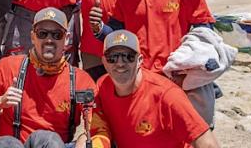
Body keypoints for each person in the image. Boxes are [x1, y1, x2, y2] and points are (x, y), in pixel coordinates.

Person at [91, 0, 217, 126]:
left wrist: (195, 69)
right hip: (140, 80)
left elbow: (205, 32)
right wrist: (99, 29)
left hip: (177, 81)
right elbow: (117, 33)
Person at [0, 8, 101, 147]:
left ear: (66, 38)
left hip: (54, 146)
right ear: (32, 37)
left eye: (57, 35)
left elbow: (99, 124)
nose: (49, 40)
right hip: (10, 145)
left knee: (49, 140)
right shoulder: (8, 67)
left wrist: (86, 138)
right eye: (42, 34)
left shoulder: (79, 80)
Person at [91, 30, 219, 148]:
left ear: (140, 60)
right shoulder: (102, 86)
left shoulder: (166, 95)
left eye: (128, 56)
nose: (120, 63)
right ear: (104, 61)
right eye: (112, 57)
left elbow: (207, 142)